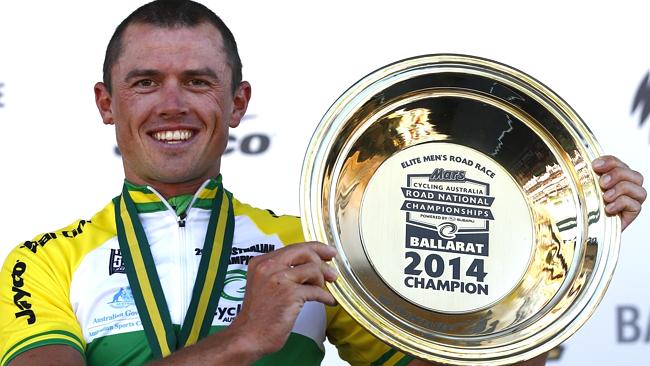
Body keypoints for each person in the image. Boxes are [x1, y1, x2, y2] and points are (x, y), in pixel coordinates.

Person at [0, 1, 645, 366]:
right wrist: (247, 338)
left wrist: (558, 274)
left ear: (238, 101)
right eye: (145, 83)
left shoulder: (311, 246)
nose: (173, 104)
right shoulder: (43, 263)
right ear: (106, 103)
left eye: (198, 82)